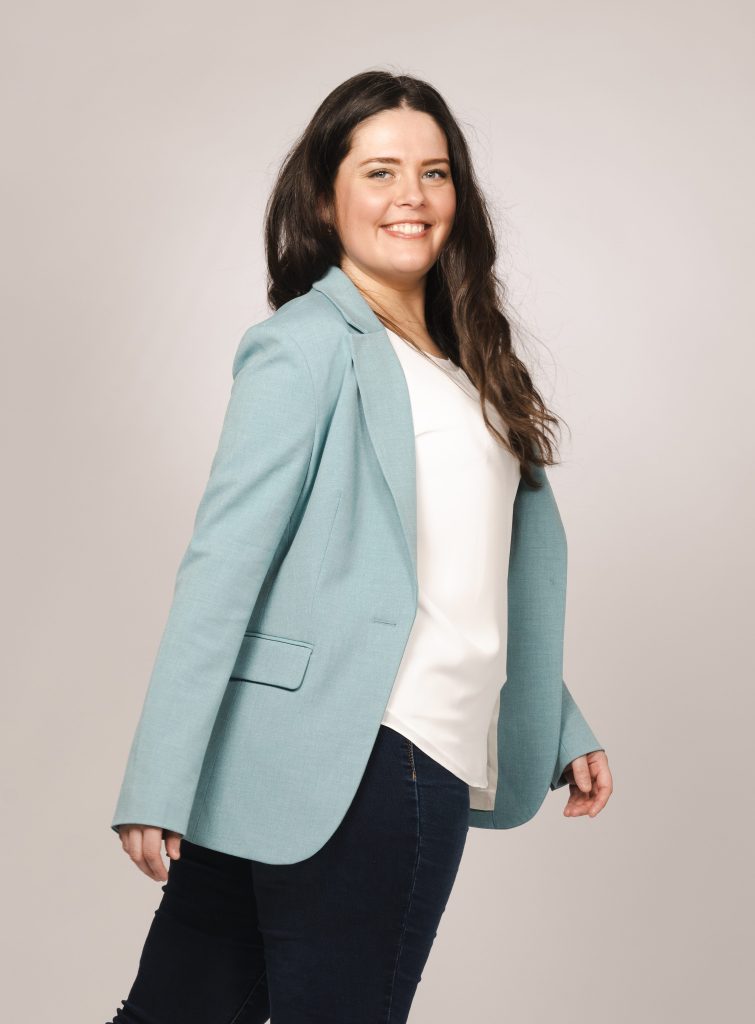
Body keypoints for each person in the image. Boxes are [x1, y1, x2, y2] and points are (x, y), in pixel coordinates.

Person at [108, 69, 613, 1024]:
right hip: (372, 752)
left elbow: (459, 574)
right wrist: (158, 775)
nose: (410, 196)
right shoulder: (305, 345)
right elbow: (224, 563)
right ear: (323, 197)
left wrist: (558, 720)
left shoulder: (469, 361)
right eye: (379, 171)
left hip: (366, 748)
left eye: (433, 172)